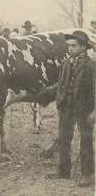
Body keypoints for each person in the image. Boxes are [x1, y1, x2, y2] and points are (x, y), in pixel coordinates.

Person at [46, 30, 95, 187]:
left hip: (84, 107)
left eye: (74, 46)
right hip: (66, 106)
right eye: (69, 46)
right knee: (63, 138)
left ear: (83, 47)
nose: (70, 49)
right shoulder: (66, 63)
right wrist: (51, 97)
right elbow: (60, 84)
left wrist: (94, 111)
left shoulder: (91, 65)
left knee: (86, 139)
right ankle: (63, 170)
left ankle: (87, 174)